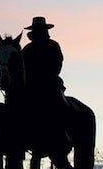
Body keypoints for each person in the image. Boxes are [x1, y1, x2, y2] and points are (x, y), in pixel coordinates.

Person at [22, 16, 69, 145]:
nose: (38, 32)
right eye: (36, 29)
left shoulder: (53, 46)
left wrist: (46, 76)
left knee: (62, 106)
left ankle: (64, 133)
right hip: (30, 86)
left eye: (40, 29)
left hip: (50, 84)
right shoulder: (26, 49)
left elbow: (57, 64)